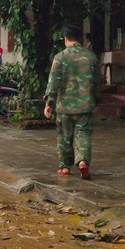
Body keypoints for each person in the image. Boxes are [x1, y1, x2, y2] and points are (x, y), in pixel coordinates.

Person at [44, 25, 101, 180]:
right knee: (83, 135)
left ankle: (64, 167)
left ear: (65, 38)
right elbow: (97, 82)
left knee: (64, 136)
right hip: (85, 105)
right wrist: (96, 99)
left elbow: (53, 82)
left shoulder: (60, 57)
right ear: (80, 38)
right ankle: (82, 161)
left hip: (64, 106)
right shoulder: (91, 57)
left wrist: (49, 103)